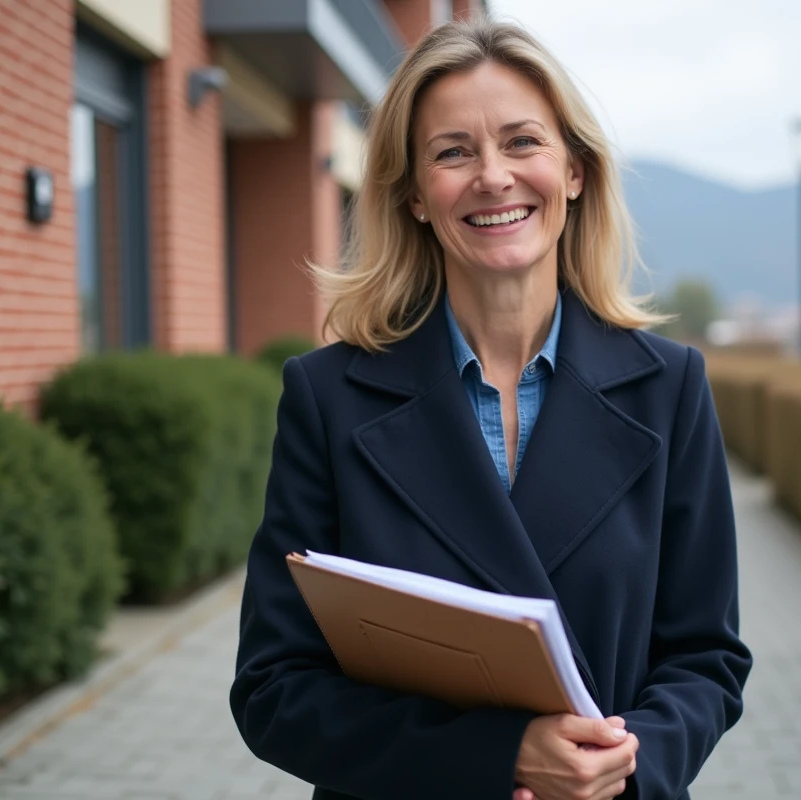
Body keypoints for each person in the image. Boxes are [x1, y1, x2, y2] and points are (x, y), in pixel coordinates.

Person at [230, 17, 752, 800]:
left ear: (573, 170)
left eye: (521, 143)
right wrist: (499, 755)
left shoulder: (670, 388)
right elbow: (274, 687)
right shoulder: (327, 397)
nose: (493, 176)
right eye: (453, 152)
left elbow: (707, 660)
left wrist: (623, 764)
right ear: (412, 196)